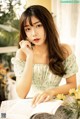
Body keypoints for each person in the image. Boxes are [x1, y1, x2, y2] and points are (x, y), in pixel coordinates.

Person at [1, 5, 78, 119]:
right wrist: (30, 56)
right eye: (28, 29)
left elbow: (72, 84)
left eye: (38, 26)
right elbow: (22, 94)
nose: (34, 33)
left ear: (48, 25)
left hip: (53, 106)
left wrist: (51, 91)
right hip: (29, 106)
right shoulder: (22, 54)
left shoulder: (64, 51)